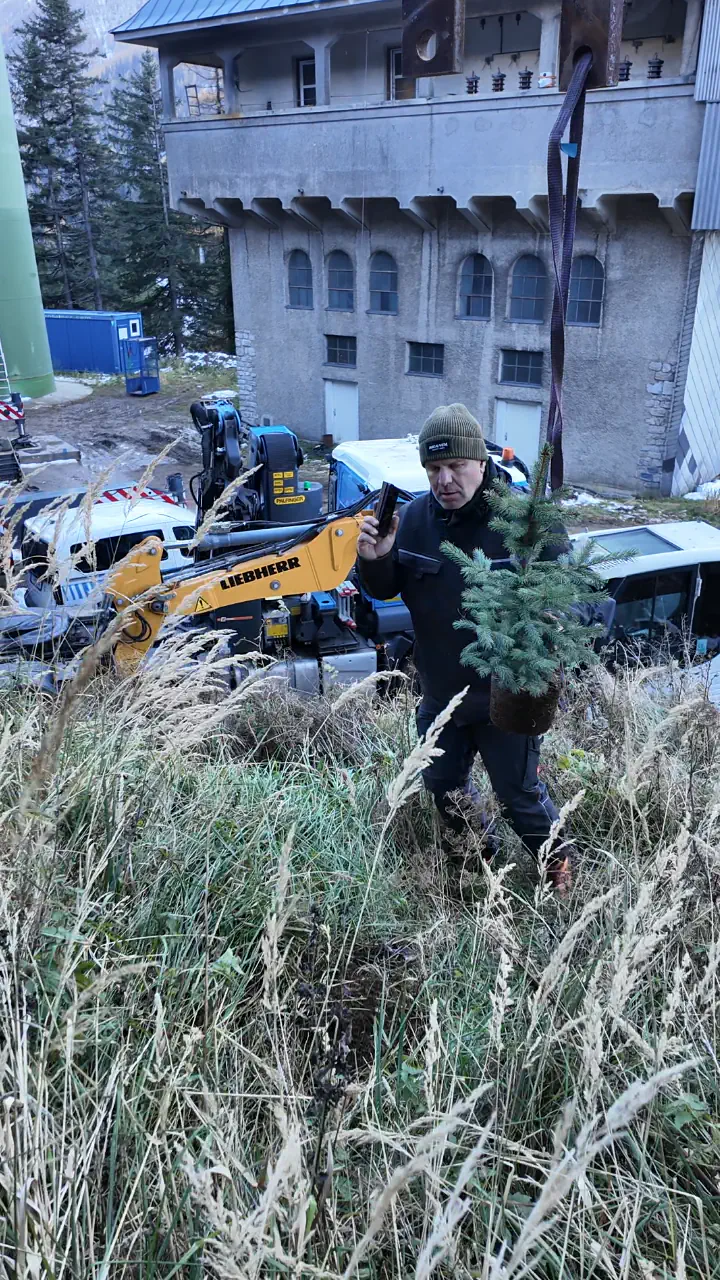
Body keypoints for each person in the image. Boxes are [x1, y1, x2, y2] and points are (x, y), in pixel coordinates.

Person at [356, 403, 572, 895]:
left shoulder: (526, 522)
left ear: (481, 461)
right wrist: (376, 558)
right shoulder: (411, 520)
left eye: (455, 465)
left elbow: (573, 600)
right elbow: (385, 588)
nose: (444, 480)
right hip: (440, 695)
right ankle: (477, 869)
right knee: (446, 793)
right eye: (433, 469)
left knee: (519, 795)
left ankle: (562, 877)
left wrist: (545, 622)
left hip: (508, 698)